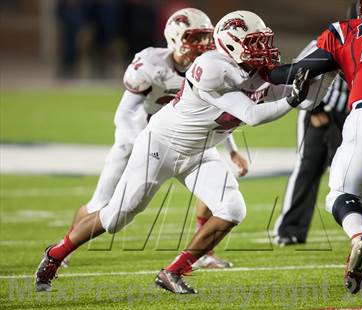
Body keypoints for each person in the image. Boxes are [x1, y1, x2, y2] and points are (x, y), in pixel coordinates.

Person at [35, 10, 325, 294]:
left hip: (199, 151)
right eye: (256, 43)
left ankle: (173, 271)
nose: (264, 50)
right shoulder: (211, 66)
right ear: (234, 44)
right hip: (161, 145)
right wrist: (293, 97)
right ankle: (55, 255)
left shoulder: (255, 71)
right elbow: (253, 114)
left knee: (232, 209)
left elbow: (302, 101)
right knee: (114, 217)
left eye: (264, 42)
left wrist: (328, 75)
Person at [60, 8, 246, 271]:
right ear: (175, 38)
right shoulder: (151, 65)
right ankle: (64, 245)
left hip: (187, 140)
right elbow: (125, 112)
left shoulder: (210, 68)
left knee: (218, 187)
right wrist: (139, 142)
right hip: (141, 140)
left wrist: (232, 149)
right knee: (101, 204)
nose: (203, 45)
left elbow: (218, 114)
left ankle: (205, 253)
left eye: (206, 37)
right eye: (195, 38)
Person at [266, 0, 362, 294]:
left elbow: (299, 71)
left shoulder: (346, 30)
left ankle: (358, 236)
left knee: (343, 193)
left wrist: (259, 71)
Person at [273, 50, 362, 246]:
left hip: (361, 110)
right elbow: (302, 72)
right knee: (309, 168)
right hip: (326, 111)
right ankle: (289, 230)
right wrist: (314, 109)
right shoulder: (333, 39)